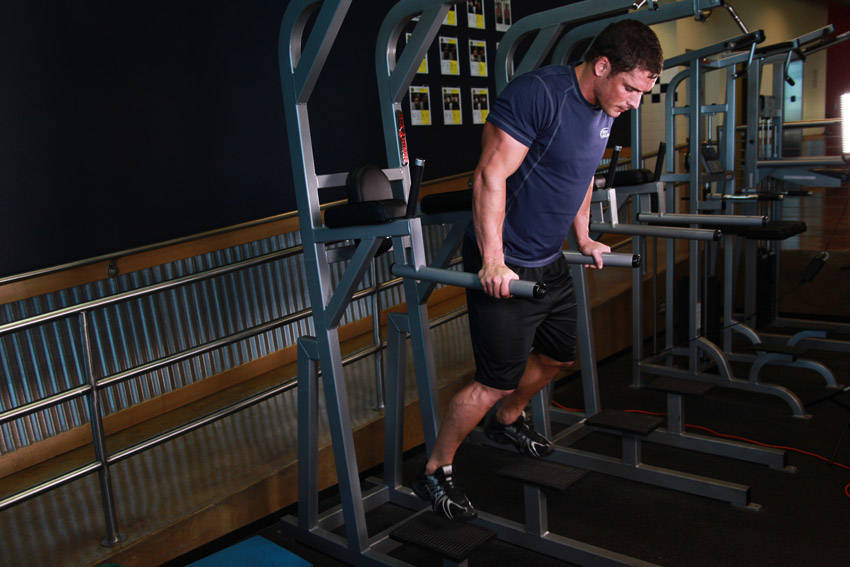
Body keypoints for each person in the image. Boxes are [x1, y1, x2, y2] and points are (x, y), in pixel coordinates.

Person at [412, 19, 662, 521]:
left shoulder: (605, 109)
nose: (635, 103)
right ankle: (436, 468)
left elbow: (582, 175)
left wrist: (584, 237)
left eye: (642, 93)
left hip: (549, 260)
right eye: (630, 89)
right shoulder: (539, 95)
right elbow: (490, 175)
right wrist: (493, 259)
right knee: (495, 380)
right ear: (602, 66)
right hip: (507, 264)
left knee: (556, 357)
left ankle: (506, 421)